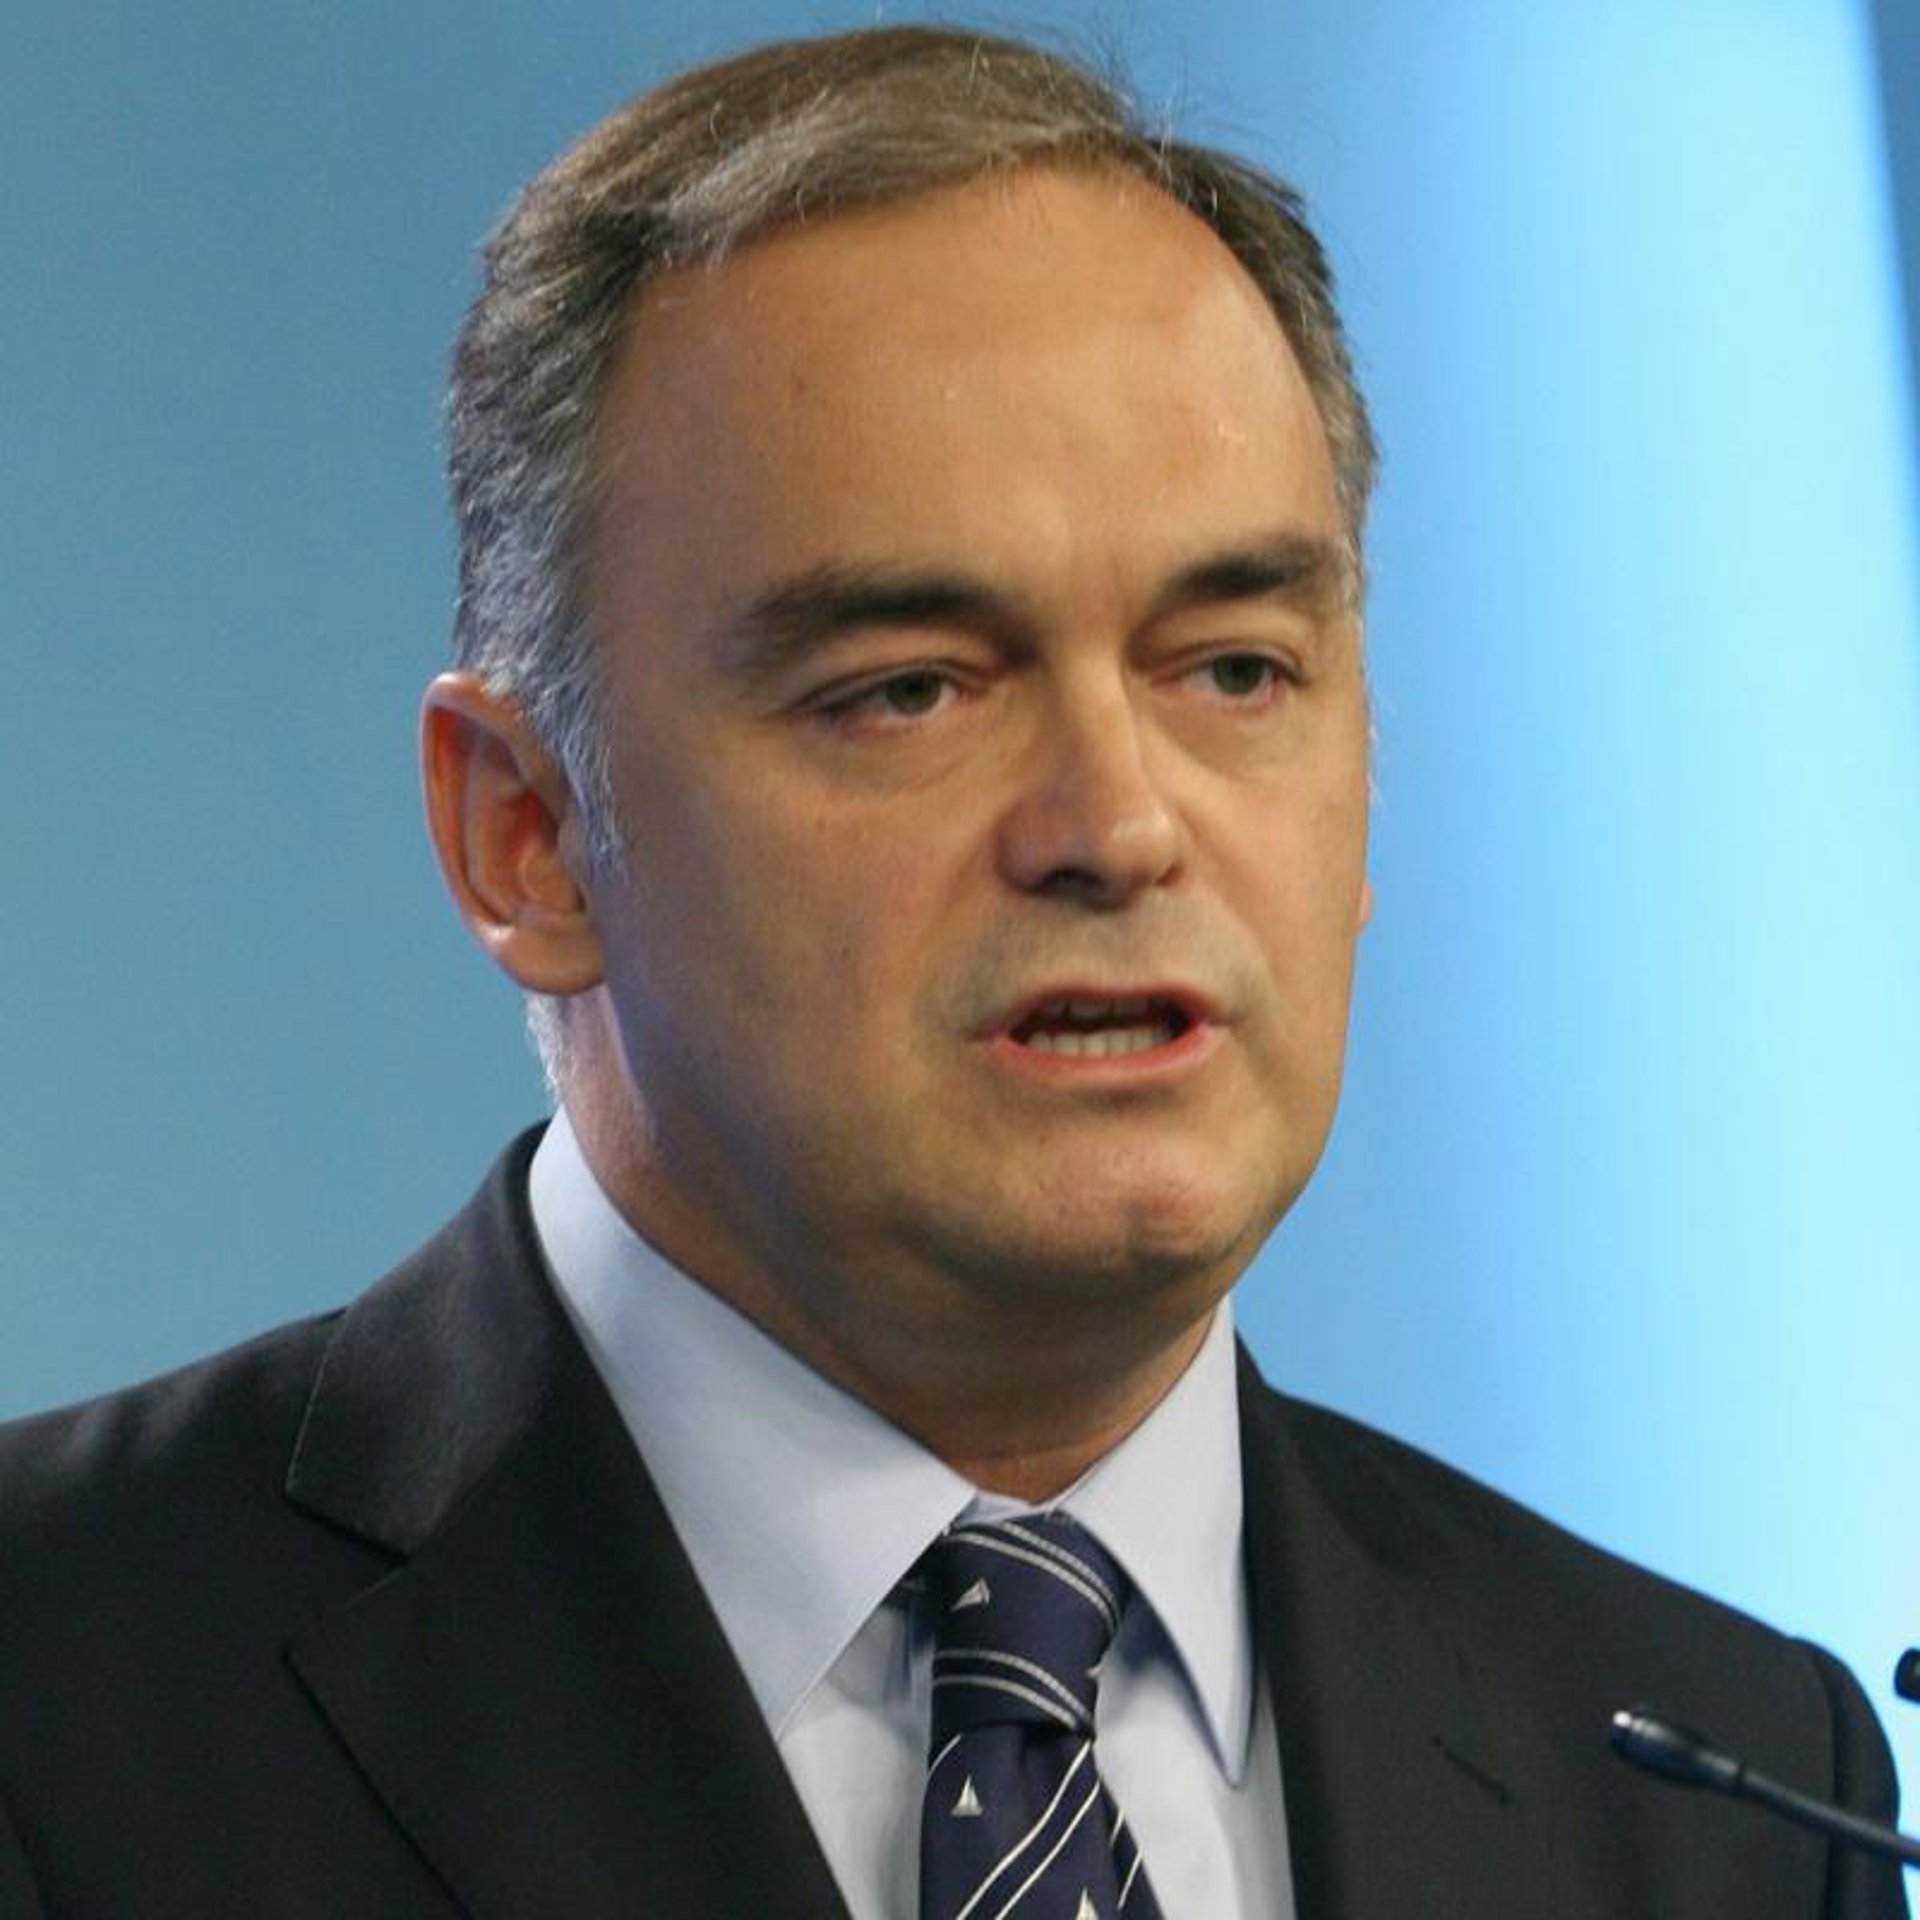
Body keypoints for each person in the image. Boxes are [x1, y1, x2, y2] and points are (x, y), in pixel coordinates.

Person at [0, 25, 1905, 1919]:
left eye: (1234, 668)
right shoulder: (56, 1692)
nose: (1119, 824)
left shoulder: (1725, 1789)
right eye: (909, 689)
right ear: (527, 833)